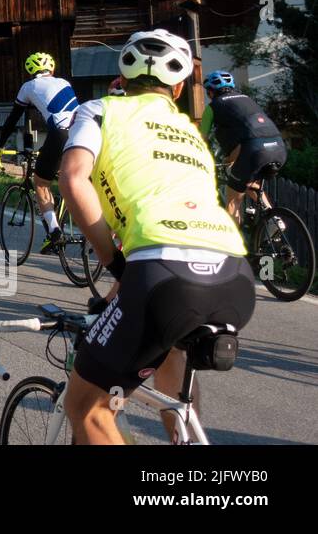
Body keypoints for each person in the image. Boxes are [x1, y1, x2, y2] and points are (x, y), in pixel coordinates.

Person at [58, 28, 254, 445]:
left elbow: (74, 180)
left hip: (160, 276)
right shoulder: (192, 137)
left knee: (86, 408)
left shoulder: (100, 110)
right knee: (170, 369)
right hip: (234, 276)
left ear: (122, 79)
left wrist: (114, 264)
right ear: (179, 87)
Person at [0, 53, 79, 254]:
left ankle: (55, 231)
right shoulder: (63, 82)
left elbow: (13, 117)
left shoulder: (28, 87)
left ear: (30, 71)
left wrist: (0, 144)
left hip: (60, 134)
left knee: (41, 182)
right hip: (85, 130)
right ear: (52, 69)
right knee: (76, 177)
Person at [200, 71, 287, 225]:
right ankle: (273, 217)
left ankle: (234, 245)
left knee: (233, 200)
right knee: (245, 180)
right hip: (279, 147)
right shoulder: (247, 99)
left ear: (210, 92)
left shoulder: (213, 106)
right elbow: (249, 136)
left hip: (253, 149)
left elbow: (201, 138)